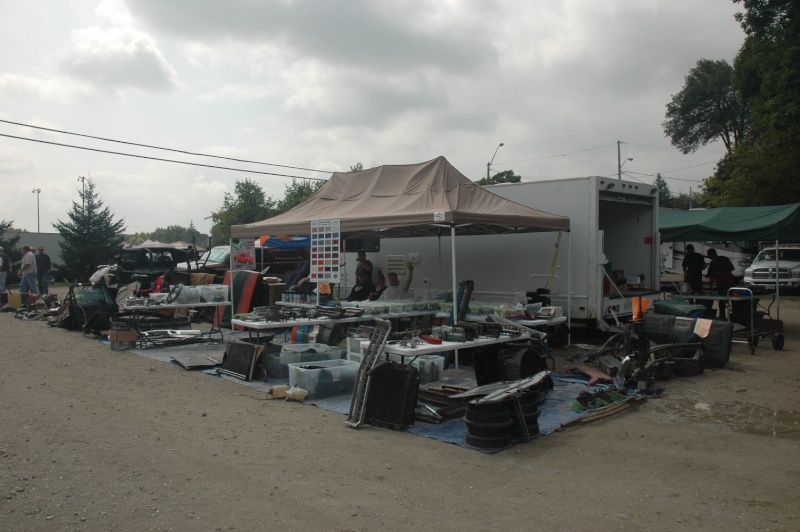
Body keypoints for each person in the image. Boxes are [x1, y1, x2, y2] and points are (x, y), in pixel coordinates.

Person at [706, 248, 736, 318]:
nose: (708, 257)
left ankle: (733, 316)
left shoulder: (722, 260)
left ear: (713, 254)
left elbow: (732, 268)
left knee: (733, 301)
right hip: (721, 284)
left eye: (709, 255)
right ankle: (723, 316)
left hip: (728, 283)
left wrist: (722, 272)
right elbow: (711, 277)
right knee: (722, 302)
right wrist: (711, 287)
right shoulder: (713, 263)